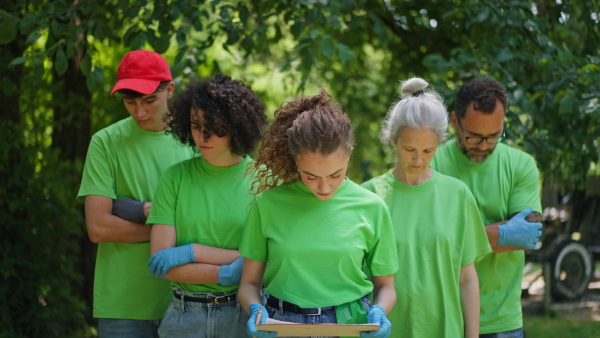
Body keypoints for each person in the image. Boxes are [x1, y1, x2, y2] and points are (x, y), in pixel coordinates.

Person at [238, 89, 399, 338]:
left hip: (349, 325)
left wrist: (379, 310)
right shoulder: (267, 204)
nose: (323, 188)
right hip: (282, 325)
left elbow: (386, 286)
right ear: (296, 161)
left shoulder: (373, 207)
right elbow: (249, 283)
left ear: (349, 153)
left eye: (335, 175)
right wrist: (255, 310)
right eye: (310, 176)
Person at [77, 49, 195, 337]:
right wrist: (171, 226)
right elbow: (98, 227)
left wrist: (139, 211)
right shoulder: (105, 142)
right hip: (123, 304)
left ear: (169, 90)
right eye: (130, 101)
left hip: (188, 301)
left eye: (149, 100)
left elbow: (207, 218)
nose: (139, 111)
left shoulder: (198, 139)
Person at [362, 77, 491, 338]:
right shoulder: (368, 196)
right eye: (409, 149)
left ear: (439, 143)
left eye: (428, 150)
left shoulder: (457, 195)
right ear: (392, 138)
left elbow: (467, 279)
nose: (418, 159)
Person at [145, 74, 267, 337]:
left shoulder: (265, 180)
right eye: (195, 124)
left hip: (245, 314)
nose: (203, 135)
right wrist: (229, 271)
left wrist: (193, 252)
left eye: (215, 126)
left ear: (236, 125)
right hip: (184, 317)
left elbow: (274, 259)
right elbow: (161, 264)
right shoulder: (174, 177)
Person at [430, 77, 543, 338]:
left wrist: (459, 239)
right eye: (474, 136)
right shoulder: (431, 163)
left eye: (494, 136)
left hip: (503, 322)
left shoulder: (521, 165)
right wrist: (503, 233)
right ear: (455, 121)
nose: (484, 146)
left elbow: (528, 234)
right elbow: (434, 243)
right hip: (444, 319)